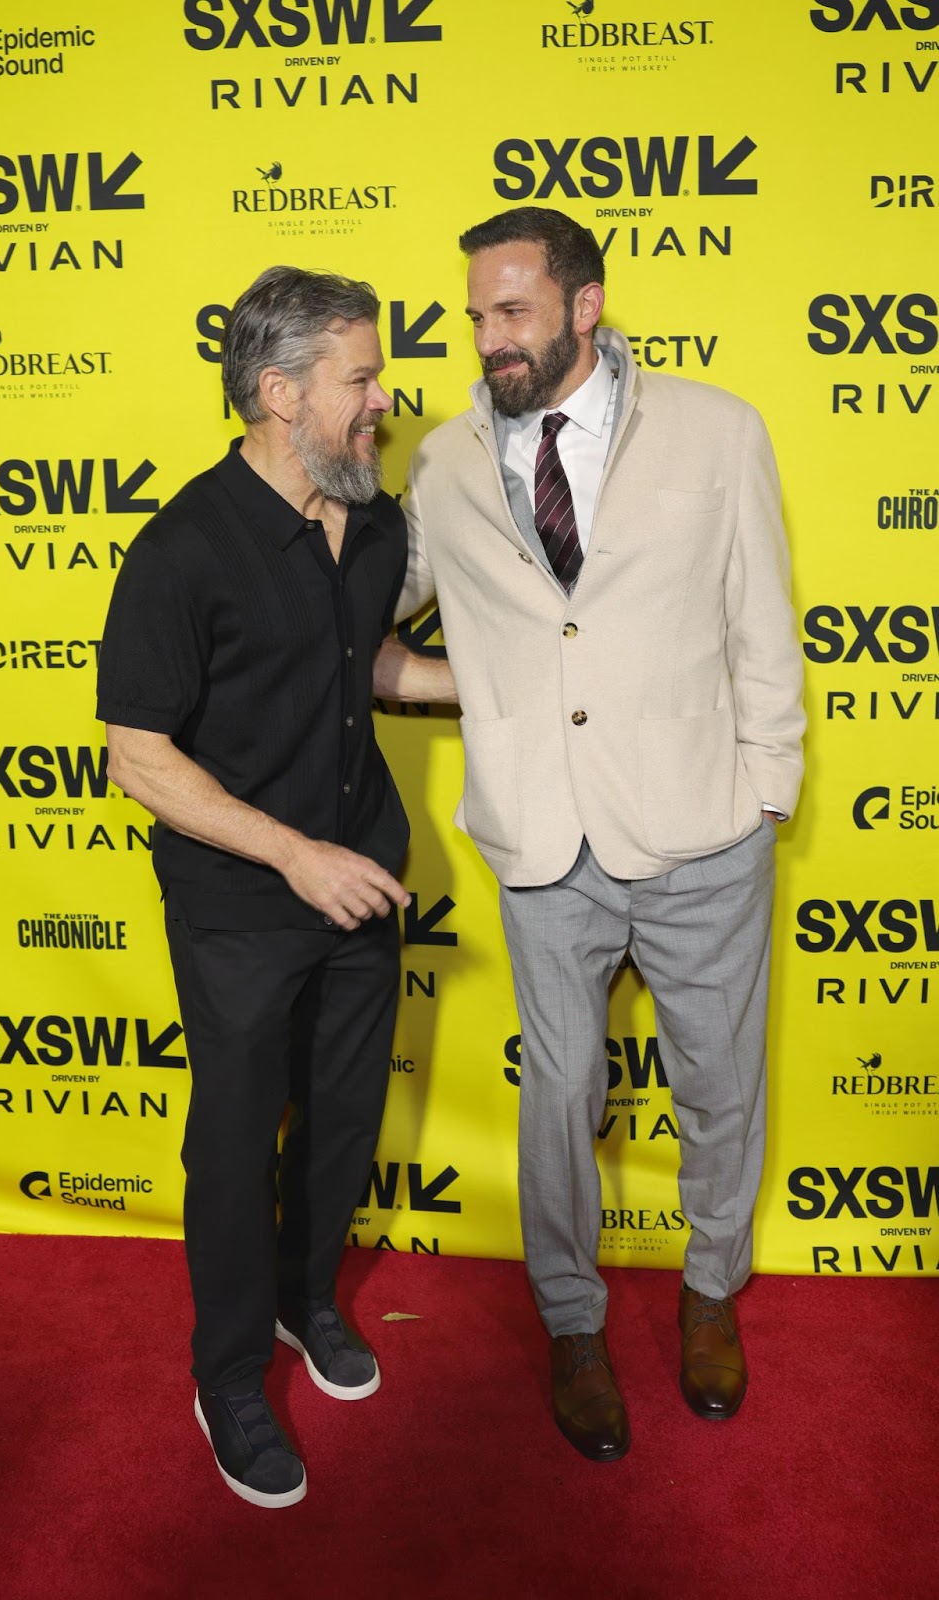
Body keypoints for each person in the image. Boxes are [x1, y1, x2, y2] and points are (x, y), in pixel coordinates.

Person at [396, 207, 805, 1462]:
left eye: (511, 311)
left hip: (699, 829)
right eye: (475, 315)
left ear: (586, 305)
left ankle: (709, 1290)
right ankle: (572, 1323)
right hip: (540, 839)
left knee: (721, 1087)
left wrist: (767, 790)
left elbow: (761, 616)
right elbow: (377, 599)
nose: (488, 339)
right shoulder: (452, 460)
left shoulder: (719, 431)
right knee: (559, 1095)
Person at [97, 265, 454, 1508]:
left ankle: (311, 1301)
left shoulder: (380, 519)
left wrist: (514, 690)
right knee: (238, 1140)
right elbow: (136, 755)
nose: (383, 401)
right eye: (360, 380)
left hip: (362, 881)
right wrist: (295, 854)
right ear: (277, 392)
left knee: (343, 1121)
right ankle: (231, 1372)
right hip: (245, 903)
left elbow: (378, 662)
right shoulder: (185, 545)